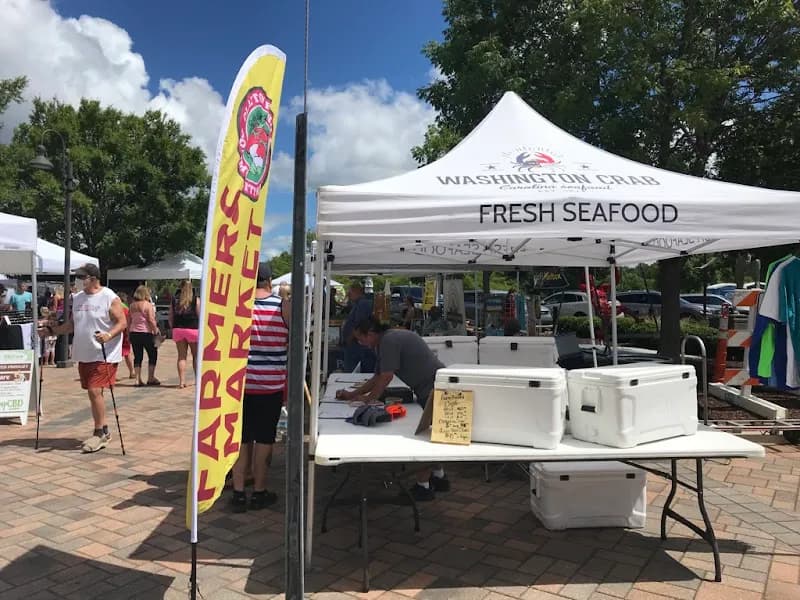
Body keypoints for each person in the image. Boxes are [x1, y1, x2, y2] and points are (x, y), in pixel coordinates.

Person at [337, 316, 449, 501]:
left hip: (432, 387)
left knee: (422, 438)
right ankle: (439, 477)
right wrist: (353, 394)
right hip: (430, 386)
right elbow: (377, 376)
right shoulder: (384, 341)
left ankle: (424, 487)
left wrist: (367, 400)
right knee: (429, 436)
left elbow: (386, 377)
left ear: (371, 333)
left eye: (361, 338)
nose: (360, 342)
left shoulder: (388, 341)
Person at [39, 263, 126, 453]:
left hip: (105, 353)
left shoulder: (109, 297)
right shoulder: (77, 298)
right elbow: (72, 325)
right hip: (84, 353)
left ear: (93, 279)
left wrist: (108, 335)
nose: (77, 281)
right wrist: (51, 331)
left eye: (81, 277)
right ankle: (103, 429)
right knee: (93, 393)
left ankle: (100, 433)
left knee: (95, 391)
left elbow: (122, 322)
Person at [230, 263, 291, 512]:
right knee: (265, 438)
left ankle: (238, 491)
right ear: (269, 281)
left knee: (240, 439)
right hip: (271, 385)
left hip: (239, 385)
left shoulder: (237, 308)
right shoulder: (283, 307)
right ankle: (258, 491)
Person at [170, 279, 200, 388]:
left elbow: (171, 316)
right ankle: (197, 379)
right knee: (196, 356)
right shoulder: (195, 299)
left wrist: (172, 327)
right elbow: (199, 315)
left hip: (178, 330)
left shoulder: (175, 300)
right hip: (193, 329)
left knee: (181, 356)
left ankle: (181, 381)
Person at [129, 285, 160, 387]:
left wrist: (128, 333)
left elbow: (129, 321)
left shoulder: (132, 305)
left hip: (134, 332)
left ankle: (137, 379)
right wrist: (155, 330)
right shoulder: (147, 305)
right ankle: (151, 377)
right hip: (146, 332)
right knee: (152, 354)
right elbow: (151, 319)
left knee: (138, 356)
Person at [341, 282, 375, 372]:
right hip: (355, 344)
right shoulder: (357, 304)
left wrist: (349, 339)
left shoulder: (363, 304)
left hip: (356, 345)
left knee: (352, 371)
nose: (348, 294)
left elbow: (359, 324)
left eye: (350, 292)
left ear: (357, 291)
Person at [117, 292, 135, 379]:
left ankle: (113, 374)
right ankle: (132, 372)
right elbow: (128, 321)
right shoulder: (126, 308)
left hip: (115, 332)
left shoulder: (113, 306)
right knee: (127, 353)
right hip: (124, 332)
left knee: (114, 353)